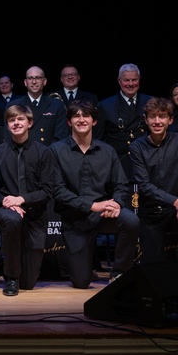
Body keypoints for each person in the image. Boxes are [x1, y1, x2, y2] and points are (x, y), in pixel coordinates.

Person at [50, 100, 141, 289]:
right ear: (69, 122)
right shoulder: (56, 151)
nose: (81, 120)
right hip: (75, 219)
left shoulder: (107, 151)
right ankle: (85, 266)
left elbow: (121, 184)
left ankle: (119, 273)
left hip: (104, 214)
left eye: (86, 115)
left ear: (94, 121)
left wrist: (116, 203)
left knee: (131, 221)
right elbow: (58, 191)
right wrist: (92, 206)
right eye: (76, 116)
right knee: (81, 282)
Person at [0, 103, 57, 296]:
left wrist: (22, 200)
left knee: (28, 283)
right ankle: (11, 278)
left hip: (35, 212)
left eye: (20, 119)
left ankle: (3, 263)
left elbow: (48, 190)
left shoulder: (44, 152)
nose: (16, 123)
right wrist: (9, 202)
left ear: (30, 122)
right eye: (12, 120)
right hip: (7, 209)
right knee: (12, 220)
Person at [129, 97, 178, 269]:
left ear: (170, 119)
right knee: (153, 269)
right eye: (152, 116)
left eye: (162, 116)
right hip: (152, 213)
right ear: (146, 120)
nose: (157, 121)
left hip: (177, 209)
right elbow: (144, 185)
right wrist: (175, 201)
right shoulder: (137, 147)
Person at [93, 63, 152, 178]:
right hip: (118, 164)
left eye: (134, 80)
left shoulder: (150, 102)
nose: (130, 84)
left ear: (139, 80)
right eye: (126, 80)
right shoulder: (105, 105)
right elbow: (99, 139)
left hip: (146, 162)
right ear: (119, 81)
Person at [12, 66, 69, 147]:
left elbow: (61, 137)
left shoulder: (57, 106)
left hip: (49, 155)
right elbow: (9, 136)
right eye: (30, 78)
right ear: (25, 82)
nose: (34, 81)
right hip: (21, 155)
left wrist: (47, 154)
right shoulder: (14, 105)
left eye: (38, 78)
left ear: (44, 81)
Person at [0, 74, 16, 148]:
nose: (4, 85)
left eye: (6, 83)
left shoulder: (19, 99)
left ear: (11, 85)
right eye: (1, 83)